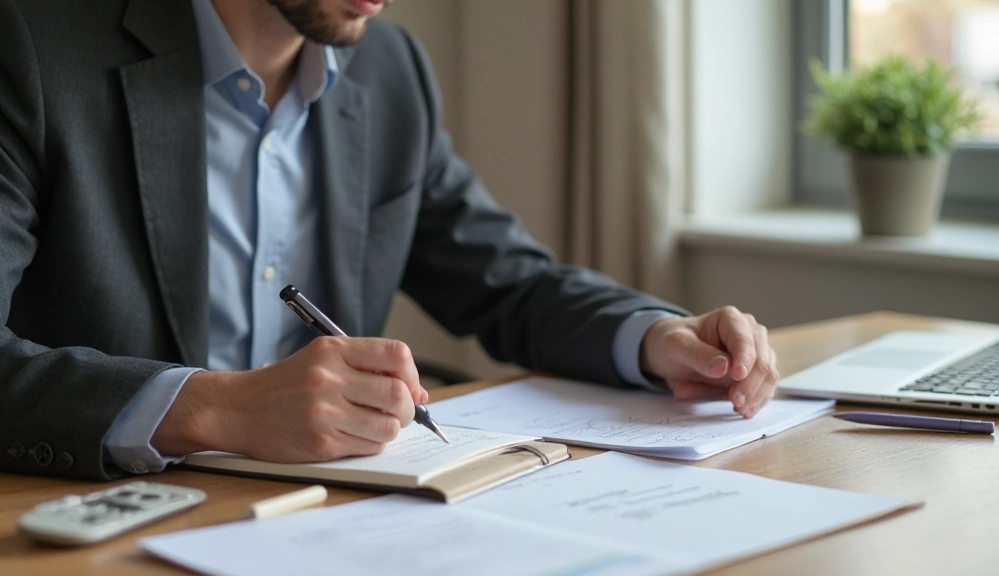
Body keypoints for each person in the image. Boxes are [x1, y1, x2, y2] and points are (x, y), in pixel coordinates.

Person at [0, 0, 778, 480]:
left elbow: (504, 278)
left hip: (339, 518)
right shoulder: (32, 47)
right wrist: (215, 410)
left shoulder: (390, 71)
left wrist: (654, 335)